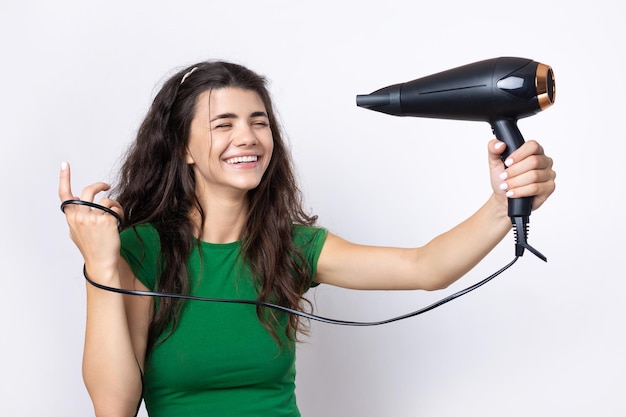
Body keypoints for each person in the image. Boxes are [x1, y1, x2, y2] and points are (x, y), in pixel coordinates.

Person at [59, 60, 556, 417]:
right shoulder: (139, 251)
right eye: (223, 124)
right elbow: (114, 407)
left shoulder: (290, 247)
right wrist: (101, 267)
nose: (248, 138)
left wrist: (502, 204)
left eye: (259, 122)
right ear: (183, 147)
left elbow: (425, 268)